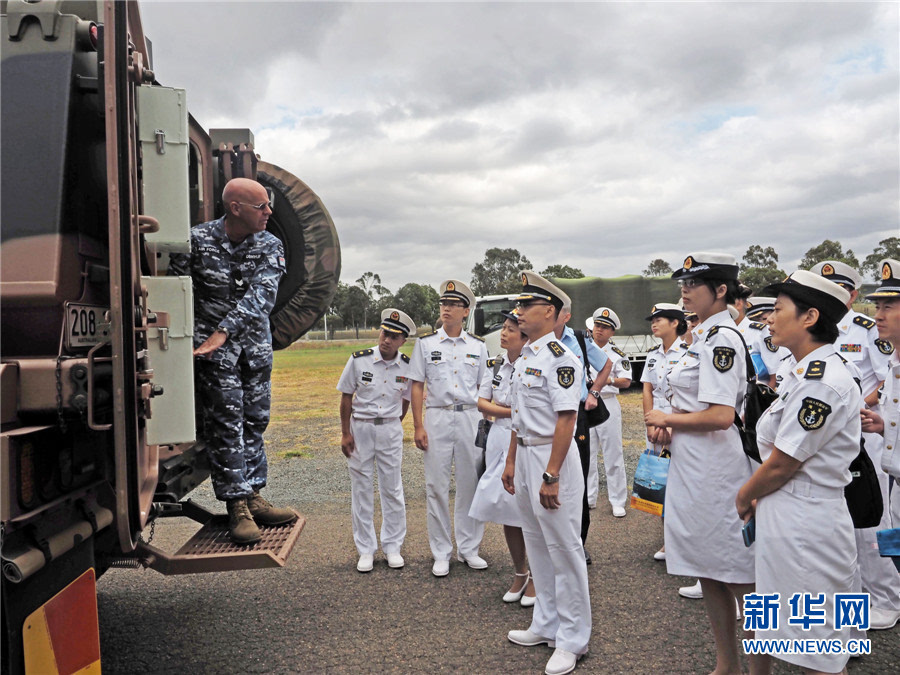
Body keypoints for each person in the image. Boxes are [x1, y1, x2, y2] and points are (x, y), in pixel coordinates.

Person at [735, 270, 862, 674]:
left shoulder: (823, 382)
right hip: (787, 517)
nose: (768, 318)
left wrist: (744, 495)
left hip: (809, 525)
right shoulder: (802, 373)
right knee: (768, 623)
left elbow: (783, 462)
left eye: (777, 309)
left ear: (809, 318)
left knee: (821, 649)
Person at [644, 253, 758, 675]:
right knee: (706, 569)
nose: (684, 290)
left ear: (722, 290)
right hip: (694, 466)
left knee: (743, 579)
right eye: (683, 283)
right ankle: (726, 665)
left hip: (719, 471)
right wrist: (671, 426)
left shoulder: (722, 338)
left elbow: (721, 415)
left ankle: (758, 669)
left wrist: (667, 418)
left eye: (694, 283)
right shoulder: (700, 336)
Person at [168, 177, 296, 544]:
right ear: (235, 208)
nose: (269, 213)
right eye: (261, 207)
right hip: (214, 354)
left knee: (255, 420)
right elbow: (179, 292)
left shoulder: (270, 244)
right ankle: (236, 505)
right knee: (226, 423)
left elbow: (262, 297)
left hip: (251, 348)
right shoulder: (196, 241)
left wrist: (223, 331)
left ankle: (254, 495)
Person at [503, 271, 590, 675]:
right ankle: (546, 623)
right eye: (518, 306)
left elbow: (566, 419)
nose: (518, 313)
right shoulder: (526, 357)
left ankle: (573, 639)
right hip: (525, 456)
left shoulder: (560, 358)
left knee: (564, 549)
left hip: (551, 460)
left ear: (549, 311)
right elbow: (519, 418)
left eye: (525, 306)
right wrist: (510, 461)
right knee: (537, 544)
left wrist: (551, 474)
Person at [810, 260, 900, 631]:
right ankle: (859, 598)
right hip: (846, 438)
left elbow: (884, 379)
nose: (879, 314)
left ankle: (887, 597)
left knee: (873, 523)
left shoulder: (862, 330)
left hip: (871, 442)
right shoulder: (817, 328)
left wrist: (860, 405)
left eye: (887, 307)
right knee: (847, 522)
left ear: (850, 294)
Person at [409, 279, 489, 577]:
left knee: (470, 484)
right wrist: (418, 425)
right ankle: (441, 552)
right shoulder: (426, 344)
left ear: (465, 311)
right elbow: (417, 386)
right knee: (436, 486)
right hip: (438, 416)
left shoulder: (477, 347)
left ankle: (469, 548)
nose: (446, 308)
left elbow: (484, 387)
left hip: (469, 417)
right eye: (443, 303)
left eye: (453, 304)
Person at [337, 309, 415, 573]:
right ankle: (366, 550)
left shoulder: (407, 365)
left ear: (403, 340)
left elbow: (405, 402)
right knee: (361, 490)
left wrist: (392, 424)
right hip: (361, 429)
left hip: (390, 431)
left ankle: (393, 547)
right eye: (384, 333)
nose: (386, 340)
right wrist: (346, 433)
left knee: (392, 489)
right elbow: (346, 396)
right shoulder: (359, 360)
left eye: (393, 336)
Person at [470, 310, 536, 605]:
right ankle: (519, 572)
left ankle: (537, 576)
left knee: (528, 511)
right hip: (498, 438)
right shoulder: (495, 365)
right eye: (504, 328)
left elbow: (530, 410)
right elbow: (481, 403)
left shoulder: (532, 365)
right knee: (508, 509)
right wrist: (511, 411)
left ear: (524, 336)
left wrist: (505, 411)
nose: (503, 333)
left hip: (525, 439)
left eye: (510, 329)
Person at [555, 302, 611, 563]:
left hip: (577, 415)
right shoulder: (533, 340)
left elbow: (606, 365)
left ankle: (578, 542)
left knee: (578, 477)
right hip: (549, 417)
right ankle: (553, 542)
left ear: (565, 316)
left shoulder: (578, 338)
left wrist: (594, 393)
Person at [639, 303, 689, 562]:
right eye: (653, 319)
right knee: (659, 481)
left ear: (675, 323)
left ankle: (682, 541)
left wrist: (670, 423)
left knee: (680, 483)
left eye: (661, 319)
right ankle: (668, 539)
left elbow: (685, 394)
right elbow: (647, 389)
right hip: (656, 422)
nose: (654, 323)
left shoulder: (688, 353)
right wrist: (650, 423)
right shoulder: (652, 355)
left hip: (678, 422)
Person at [861, 259, 900, 531]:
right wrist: (883, 427)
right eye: (877, 306)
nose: (878, 315)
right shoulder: (893, 365)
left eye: (888, 307)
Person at [585, 308, 631, 518]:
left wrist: (606, 380)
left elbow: (627, 381)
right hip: (586, 404)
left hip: (608, 402)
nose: (599, 330)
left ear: (612, 332)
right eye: (597, 326)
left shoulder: (617, 354)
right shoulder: (583, 350)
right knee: (587, 452)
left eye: (605, 327)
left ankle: (617, 500)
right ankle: (588, 497)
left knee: (613, 454)